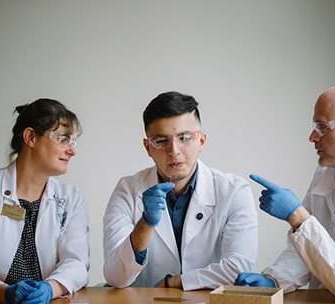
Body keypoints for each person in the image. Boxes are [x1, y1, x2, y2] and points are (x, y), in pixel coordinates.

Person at [235, 82, 335, 303]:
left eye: (323, 126)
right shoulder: (328, 172)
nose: (313, 136)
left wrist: (298, 217)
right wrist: (274, 280)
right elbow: (308, 251)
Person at [103, 91, 258, 290]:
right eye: (161, 141)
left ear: (201, 141)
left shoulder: (234, 191)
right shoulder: (127, 190)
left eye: (184, 138)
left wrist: (175, 282)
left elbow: (239, 269)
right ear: (147, 147)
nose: (174, 150)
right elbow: (115, 277)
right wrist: (145, 224)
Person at [0, 99, 90, 304]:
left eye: (73, 142)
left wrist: (49, 288)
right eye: (64, 139)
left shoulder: (71, 199)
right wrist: (5, 293)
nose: (72, 151)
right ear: (30, 137)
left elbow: (77, 264)